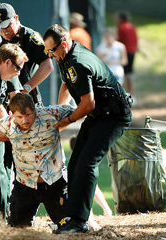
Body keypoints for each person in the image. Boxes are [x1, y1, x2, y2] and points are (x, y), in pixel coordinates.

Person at [43, 24, 132, 234]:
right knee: (74, 165)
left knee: (88, 163)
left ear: (63, 44)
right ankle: (70, 217)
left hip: (114, 116)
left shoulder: (78, 62)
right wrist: (61, 111)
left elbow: (88, 103)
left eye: (52, 50)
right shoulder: (65, 57)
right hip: (98, 114)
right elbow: (67, 85)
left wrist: (67, 121)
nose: (50, 55)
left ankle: (80, 220)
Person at [0, 93, 75, 227]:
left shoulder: (51, 113)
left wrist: (65, 123)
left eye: (28, 115)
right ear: (12, 114)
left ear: (34, 109)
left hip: (55, 181)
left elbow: (79, 110)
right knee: (17, 228)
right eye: (20, 117)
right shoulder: (6, 124)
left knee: (67, 226)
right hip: (25, 183)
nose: (25, 120)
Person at [0, 43, 28, 217]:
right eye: (18, 67)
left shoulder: (1, 80)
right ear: (6, 62)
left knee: (1, 172)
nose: (18, 73)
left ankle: (3, 216)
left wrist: (11, 129)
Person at [0, 3, 54, 106]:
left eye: (6, 25)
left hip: (25, 97)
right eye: (0, 27)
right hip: (2, 98)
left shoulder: (30, 37)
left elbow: (48, 66)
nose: (4, 31)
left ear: (16, 18)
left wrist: (26, 88)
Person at [114, 11, 138, 94]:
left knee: (124, 74)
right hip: (132, 52)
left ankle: (124, 94)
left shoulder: (121, 28)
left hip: (124, 53)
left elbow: (119, 40)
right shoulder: (132, 27)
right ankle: (131, 93)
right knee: (129, 74)